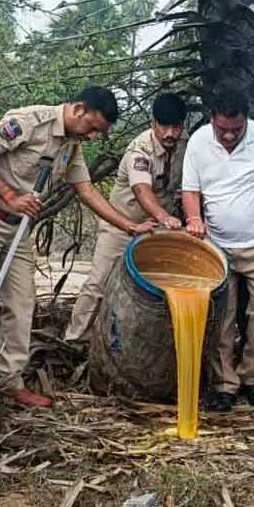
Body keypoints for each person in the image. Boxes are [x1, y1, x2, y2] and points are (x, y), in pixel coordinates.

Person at [0, 87, 154, 420]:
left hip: (19, 230)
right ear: (78, 109)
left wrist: (130, 227)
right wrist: (9, 194)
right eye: (93, 127)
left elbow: (86, 190)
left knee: (23, 303)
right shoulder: (29, 122)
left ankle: (10, 380)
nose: (95, 136)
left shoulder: (72, 145)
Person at [180, 89, 254, 412]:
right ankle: (224, 385)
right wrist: (194, 218)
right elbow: (191, 190)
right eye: (223, 130)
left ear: (246, 120)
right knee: (222, 315)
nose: (230, 135)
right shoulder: (198, 143)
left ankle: (252, 378)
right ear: (212, 121)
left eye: (237, 128)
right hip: (217, 245)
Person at [65, 92, 190, 342]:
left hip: (157, 230)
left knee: (153, 290)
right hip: (121, 225)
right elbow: (142, 191)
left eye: (175, 127)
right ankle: (75, 337)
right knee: (99, 283)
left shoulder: (187, 143)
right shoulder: (139, 150)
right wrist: (165, 217)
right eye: (164, 126)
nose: (170, 134)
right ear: (152, 123)